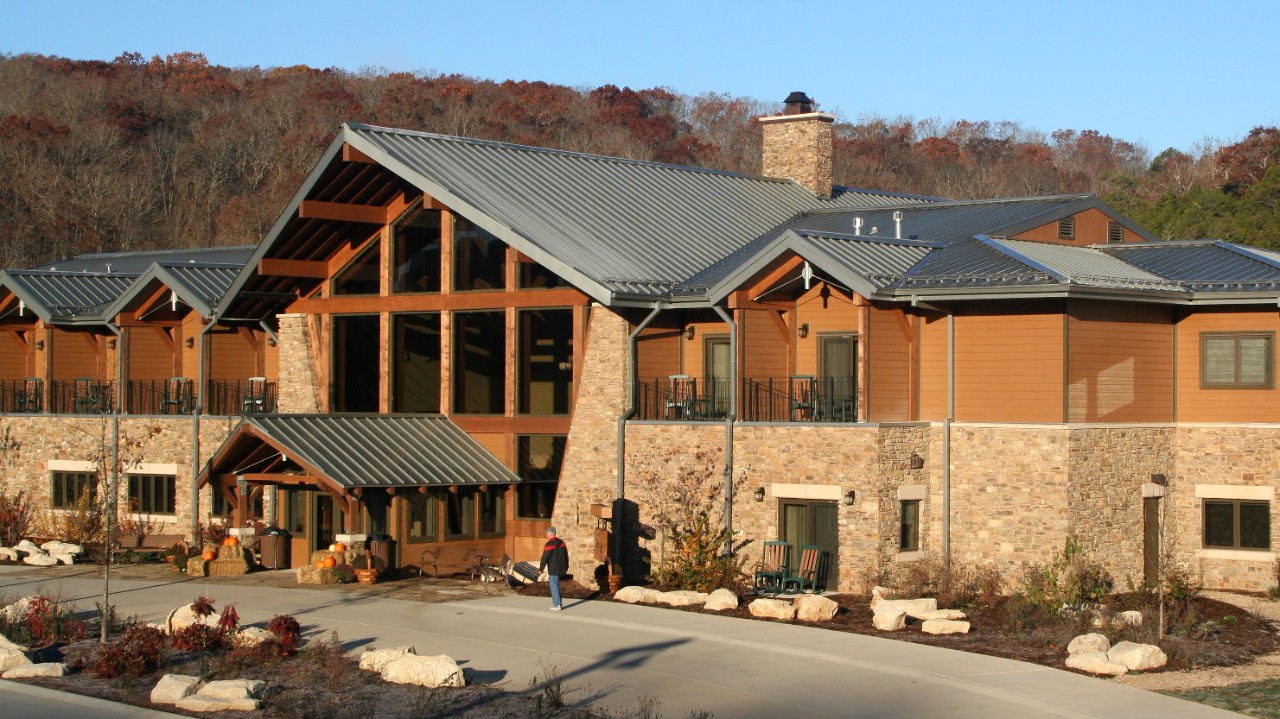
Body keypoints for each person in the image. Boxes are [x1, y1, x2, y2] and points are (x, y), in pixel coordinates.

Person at [539, 526, 569, 611]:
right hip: (561, 567)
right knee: (556, 585)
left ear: (550, 534)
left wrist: (541, 569)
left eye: (547, 533)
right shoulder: (561, 542)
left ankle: (556, 605)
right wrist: (566, 566)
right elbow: (566, 555)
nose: (546, 534)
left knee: (554, 586)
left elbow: (545, 558)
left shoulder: (549, 545)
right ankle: (559, 602)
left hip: (553, 568)